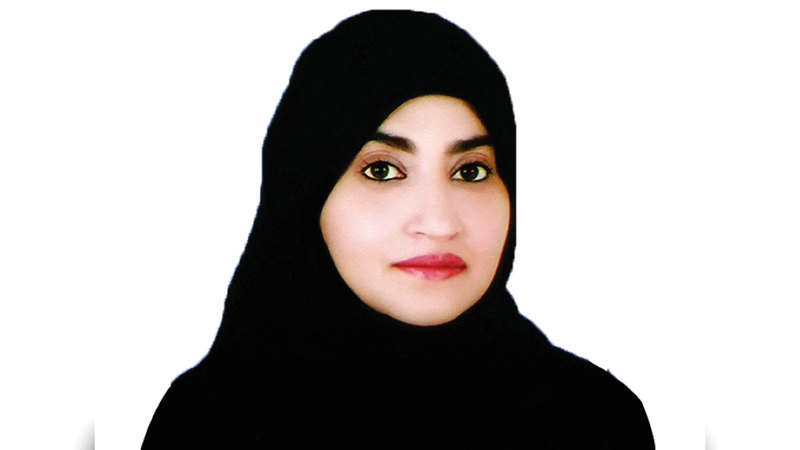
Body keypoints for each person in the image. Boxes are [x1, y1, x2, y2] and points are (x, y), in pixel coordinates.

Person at [142, 10, 654, 449]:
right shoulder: (211, 424)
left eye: (471, 171)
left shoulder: (593, 421)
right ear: (305, 194)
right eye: (383, 170)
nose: (439, 223)